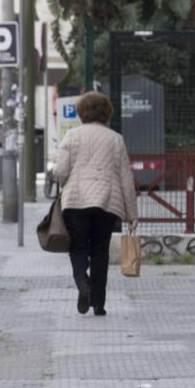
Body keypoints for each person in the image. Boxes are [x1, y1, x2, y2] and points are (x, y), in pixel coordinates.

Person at [51, 91, 138, 317]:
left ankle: (83, 283)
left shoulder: (72, 136)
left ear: (81, 112)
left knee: (77, 247)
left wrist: (57, 176)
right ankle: (99, 303)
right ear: (106, 112)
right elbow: (126, 178)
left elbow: (60, 171)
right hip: (107, 202)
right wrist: (132, 214)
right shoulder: (116, 139)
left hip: (76, 201)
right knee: (100, 251)